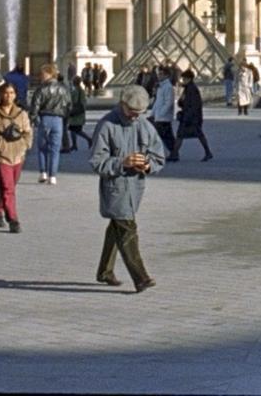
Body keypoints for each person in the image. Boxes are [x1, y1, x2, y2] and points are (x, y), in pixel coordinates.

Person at [90, 84, 167, 291]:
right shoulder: (107, 125)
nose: (134, 117)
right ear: (122, 104)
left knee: (117, 227)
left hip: (135, 187)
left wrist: (148, 164)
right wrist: (122, 163)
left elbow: (159, 156)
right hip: (115, 187)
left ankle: (105, 271)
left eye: (139, 114)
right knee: (127, 228)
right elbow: (97, 162)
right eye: (131, 113)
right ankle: (140, 277)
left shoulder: (145, 126)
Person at [0, 82, 32, 232]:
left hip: (18, 156)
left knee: (9, 187)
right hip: (2, 158)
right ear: (0, 95)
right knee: (7, 188)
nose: (9, 96)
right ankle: (13, 219)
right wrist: (2, 148)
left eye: (11, 93)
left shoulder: (22, 114)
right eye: (6, 93)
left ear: (15, 95)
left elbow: (28, 132)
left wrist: (24, 146)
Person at [27, 64, 73, 185]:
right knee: (55, 149)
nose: (41, 77)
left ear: (49, 74)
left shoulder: (41, 89)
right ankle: (53, 176)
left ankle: (43, 172)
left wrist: (32, 120)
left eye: (42, 74)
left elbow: (34, 106)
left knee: (42, 148)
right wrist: (65, 119)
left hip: (45, 118)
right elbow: (69, 106)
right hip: (58, 120)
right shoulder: (64, 89)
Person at [170, 69, 213, 162]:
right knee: (196, 135)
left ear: (188, 78)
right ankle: (207, 152)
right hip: (192, 117)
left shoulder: (191, 89)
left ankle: (174, 154)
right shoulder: (189, 88)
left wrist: (186, 116)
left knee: (181, 135)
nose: (182, 80)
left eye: (184, 78)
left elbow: (192, 105)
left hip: (190, 117)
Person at [151, 66, 178, 160]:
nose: (159, 76)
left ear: (166, 75)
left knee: (166, 137)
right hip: (159, 116)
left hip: (164, 117)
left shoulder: (168, 87)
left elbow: (169, 102)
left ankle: (173, 153)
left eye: (161, 74)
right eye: (158, 74)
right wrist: (153, 113)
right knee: (166, 136)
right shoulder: (161, 86)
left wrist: (161, 114)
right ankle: (173, 153)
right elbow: (157, 101)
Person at [63, 78, 90, 153]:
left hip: (76, 113)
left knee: (77, 130)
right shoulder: (80, 90)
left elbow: (73, 100)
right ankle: (74, 145)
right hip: (78, 113)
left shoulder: (77, 91)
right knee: (73, 129)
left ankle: (88, 139)